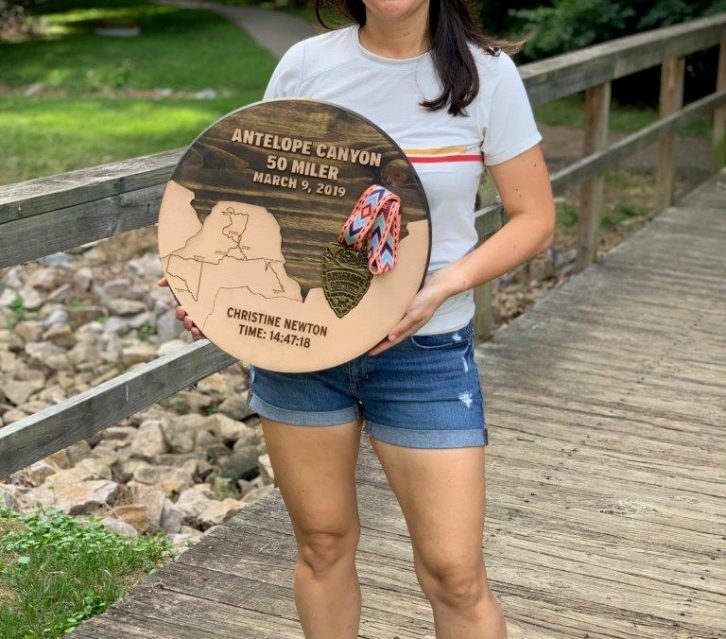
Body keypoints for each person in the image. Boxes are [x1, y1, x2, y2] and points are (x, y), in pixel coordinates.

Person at [158, 0, 555, 636]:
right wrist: (220, 300)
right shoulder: (306, 66)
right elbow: (264, 202)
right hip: (304, 350)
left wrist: (442, 285)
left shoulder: (486, 76)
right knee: (321, 543)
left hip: (422, 354)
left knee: (454, 572)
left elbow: (534, 217)